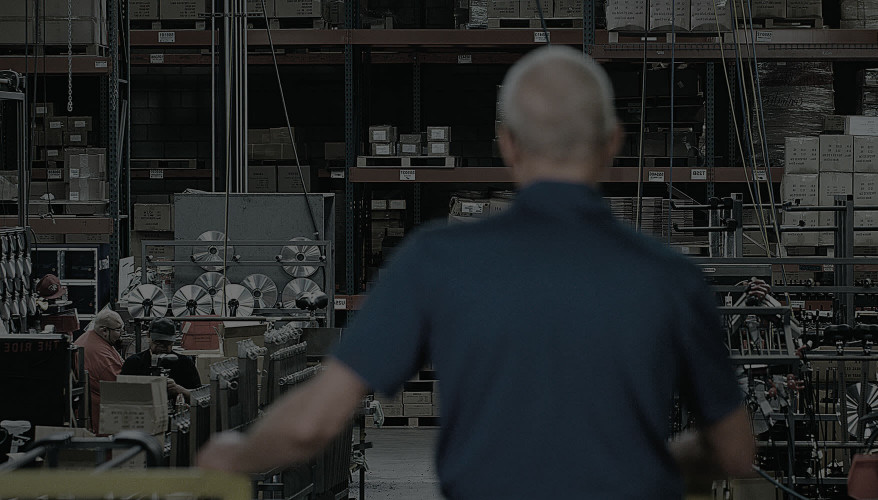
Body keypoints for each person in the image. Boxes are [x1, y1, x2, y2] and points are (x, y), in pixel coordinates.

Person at [197, 46, 754, 498]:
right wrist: (655, 463)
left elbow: (312, 424)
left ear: (507, 143)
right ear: (613, 144)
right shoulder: (671, 276)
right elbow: (734, 452)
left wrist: (235, 454)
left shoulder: (438, 260)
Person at [121, 318, 201, 400]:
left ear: (173, 341)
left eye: (167, 343)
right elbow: (120, 394)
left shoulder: (184, 363)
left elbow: (200, 397)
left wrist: (179, 389)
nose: (162, 347)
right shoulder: (133, 363)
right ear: (148, 336)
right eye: (158, 342)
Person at [73, 308, 124, 435]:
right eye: (118, 330)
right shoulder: (101, 355)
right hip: (99, 417)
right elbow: (120, 387)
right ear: (104, 330)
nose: (121, 335)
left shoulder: (88, 337)